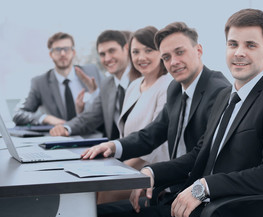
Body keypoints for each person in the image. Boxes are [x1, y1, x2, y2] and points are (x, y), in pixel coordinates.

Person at [94, 9, 263, 217]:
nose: (239, 53)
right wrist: (152, 173)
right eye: (233, 44)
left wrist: (204, 186)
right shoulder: (227, 95)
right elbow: (198, 154)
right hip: (197, 209)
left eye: (250, 45)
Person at [82, 22, 230, 172]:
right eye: (166, 57)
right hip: (174, 180)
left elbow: (202, 153)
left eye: (180, 52)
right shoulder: (175, 89)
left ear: (198, 50)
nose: (173, 62)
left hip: (199, 185)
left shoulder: (218, 91)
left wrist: (153, 172)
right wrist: (113, 146)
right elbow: (151, 134)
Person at [96, 26, 172, 204]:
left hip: (152, 170)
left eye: (148, 50)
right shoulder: (134, 85)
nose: (141, 57)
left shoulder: (168, 85)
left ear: (161, 52)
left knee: (104, 192)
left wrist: (119, 171)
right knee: (91, 190)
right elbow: (126, 137)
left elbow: (155, 143)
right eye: (135, 52)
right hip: (127, 164)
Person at [50, 30, 132, 139]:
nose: (107, 58)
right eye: (102, 54)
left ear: (126, 49)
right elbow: (89, 118)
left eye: (112, 51)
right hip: (115, 151)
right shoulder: (107, 84)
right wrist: (65, 128)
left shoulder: (142, 80)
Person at [13, 32, 103, 126]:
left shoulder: (92, 72)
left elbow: (109, 103)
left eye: (67, 49)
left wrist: (95, 93)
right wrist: (45, 118)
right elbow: (18, 114)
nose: (63, 53)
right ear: (51, 54)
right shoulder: (40, 83)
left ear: (73, 52)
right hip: (60, 137)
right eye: (57, 50)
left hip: (95, 133)